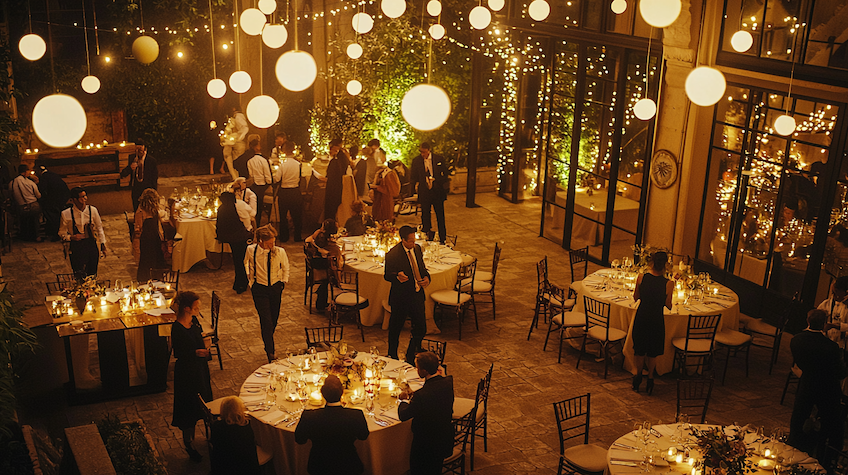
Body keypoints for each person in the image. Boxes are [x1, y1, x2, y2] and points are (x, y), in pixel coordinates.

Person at [788, 309, 848, 462]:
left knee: (799, 417)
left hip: (807, 383)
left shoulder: (796, 340)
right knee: (831, 421)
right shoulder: (831, 347)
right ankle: (826, 454)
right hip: (827, 388)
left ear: (808, 321)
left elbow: (800, 362)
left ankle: (794, 447)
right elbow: (840, 373)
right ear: (824, 325)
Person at [295, 375, 369, 475]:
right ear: (342, 392)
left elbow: (300, 440)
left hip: (319, 466)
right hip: (349, 464)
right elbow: (363, 436)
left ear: (322, 393)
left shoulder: (309, 416)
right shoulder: (356, 415)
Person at [170, 291, 212, 462]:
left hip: (200, 371)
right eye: (196, 307)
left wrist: (204, 346)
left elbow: (199, 339)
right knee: (189, 409)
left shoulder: (194, 322)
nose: (198, 309)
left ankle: (209, 436)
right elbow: (178, 354)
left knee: (205, 404)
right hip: (186, 375)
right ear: (186, 309)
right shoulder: (177, 329)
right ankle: (189, 442)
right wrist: (195, 352)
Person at [397, 351, 454, 475]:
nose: (417, 371)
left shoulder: (422, 396)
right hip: (443, 437)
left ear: (425, 371)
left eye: (418, 368)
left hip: (425, 444)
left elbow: (403, 416)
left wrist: (404, 400)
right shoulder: (448, 382)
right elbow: (433, 396)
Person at [384, 225, 430, 363]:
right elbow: (387, 275)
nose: (413, 243)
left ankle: (411, 354)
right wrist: (397, 275)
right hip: (401, 298)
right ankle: (392, 355)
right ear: (402, 240)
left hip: (416, 295)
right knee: (395, 329)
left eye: (414, 240)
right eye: (410, 240)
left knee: (421, 327)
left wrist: (427, 277)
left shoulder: (417, 249)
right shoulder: (393, 254)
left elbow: (422, 268)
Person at [245, 225, 290, 363]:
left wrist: (283, 282)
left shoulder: (280, 252)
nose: (272, 245)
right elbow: (246, 263)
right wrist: (250, 279)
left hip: (275, 288)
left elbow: (285, 267)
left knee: (274, 319)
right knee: (266, 321)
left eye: (273, 242)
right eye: (269, 243)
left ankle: (267, 338)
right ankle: (270, 351)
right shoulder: (251, 250)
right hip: (259, 289)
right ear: (260, 241)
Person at [630, 251, 673, 394]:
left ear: (652, 262)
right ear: (665, 266)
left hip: (642, 317)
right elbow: (668, 305)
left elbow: (636, 297)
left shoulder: (641, 278)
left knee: (640, 348)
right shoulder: (669, 284)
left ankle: (637, 376)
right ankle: (650, 378)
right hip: (656, 319)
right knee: (653, 351)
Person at [59, 187, 107, 279]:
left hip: (91, 245)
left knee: (92, 274)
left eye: (85, 196)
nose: (84, 199)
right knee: (79, 274)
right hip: (77, 247)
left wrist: (102, 244)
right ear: (73, 200)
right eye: (81, 197)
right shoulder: (66, 214)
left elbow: (99, 227)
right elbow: (61, 233)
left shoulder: (92, 210)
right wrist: (71, 237)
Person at [210, 396, 261, 475]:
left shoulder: (217, 426)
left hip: (222, 466)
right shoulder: (246, 427)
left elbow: (214, 443)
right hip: (246, 468)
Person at [409, 142, 449, 243]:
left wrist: (437, 181)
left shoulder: (438, 159)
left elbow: (445, 174)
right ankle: (427, 236)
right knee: (425, 215)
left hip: (437, 191)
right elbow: (413, 177)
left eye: (424, 152)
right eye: (421, 152)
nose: (422, 154)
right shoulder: (417, 161)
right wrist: (413, 191)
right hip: (424, 191)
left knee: (440, 215)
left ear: (429, 150)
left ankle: (442, 237)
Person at [216, 191, 253, 294]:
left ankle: (240, 283)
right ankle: (242, 282)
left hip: (233, 239)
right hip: (241, 238)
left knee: (238, 261)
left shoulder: (222, 209)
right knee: (242, 261)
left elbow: (220, 226)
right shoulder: (235, 208)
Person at [305, 219, 343, 314]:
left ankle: (321, 299)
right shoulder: (324, 239)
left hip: (316, 261)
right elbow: (334, 255)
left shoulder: (319, 234)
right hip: (319, 266)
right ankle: (322, 302)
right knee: (334, 270)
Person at [133, 188, 168, 281]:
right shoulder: (152, 213)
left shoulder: (142, 212)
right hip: (152, 239)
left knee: (146, 264)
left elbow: (137, 229)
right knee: (153, 263)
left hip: (147, 239)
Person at [275, 141, 303, 242]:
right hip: (295, 191)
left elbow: (277, 179)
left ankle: (283, 237)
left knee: (283, 216)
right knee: (297, 216)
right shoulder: (298, 164)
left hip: (284, 192)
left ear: (284, 151)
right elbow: (301, 177)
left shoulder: (283, 164)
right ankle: (297, 236)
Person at [120, 139, 158, 211]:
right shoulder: (132, 158)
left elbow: (154, 177)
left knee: (147, 210)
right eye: (137, 149)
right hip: (136, 189)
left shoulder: (151, 161)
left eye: (140, 149)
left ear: (144, 149)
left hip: (147, 189)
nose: (139, 151)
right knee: (137, 210)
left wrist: (154, 191)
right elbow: (123, 173)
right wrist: (130, 168)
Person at [8, 164, 42, 242]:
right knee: (35, 221)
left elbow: (11, 194)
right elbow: (38, 195)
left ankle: (25, 236)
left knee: (23, 221)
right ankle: (36, 236)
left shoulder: (12, 183)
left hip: (20, 206)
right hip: (33, 204)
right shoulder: (30, 182)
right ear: (25, 171)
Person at [37, 166, 69, 242]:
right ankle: (51, 232)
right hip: (62, 197)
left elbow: (42, 189)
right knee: (56, 215)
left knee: (52, 216)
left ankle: (55, 234)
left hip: (54, 199)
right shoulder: (53, 175)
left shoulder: (44, 177)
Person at [820, 276, 848, 360]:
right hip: (830, 345)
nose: (833, 295)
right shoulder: (828, 303)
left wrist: (835, 326)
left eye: (836, 292)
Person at [247, 139, 274, 225]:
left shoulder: (250, 161)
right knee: (262, 204)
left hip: (254, 186)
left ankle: (256, 223)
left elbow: (251, 175)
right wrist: (269, 183)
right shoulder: (263, 160)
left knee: (255, 204)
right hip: (263, 186)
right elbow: (267, 175)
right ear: (257, 148)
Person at [324, 139, 350, 222]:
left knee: (330, 209)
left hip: (332, 189)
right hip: (339, 188)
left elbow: (330, 176)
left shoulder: (335, 162)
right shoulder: (343, 161)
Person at [222, 106, 249, 179]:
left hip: (237, 143)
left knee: (236, 163)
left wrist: (238, 138)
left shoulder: (238, 117)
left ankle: (237, 178)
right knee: (229, 157)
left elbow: (244, 128)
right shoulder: (234, 118)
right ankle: (236, 178)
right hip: (233, 143)